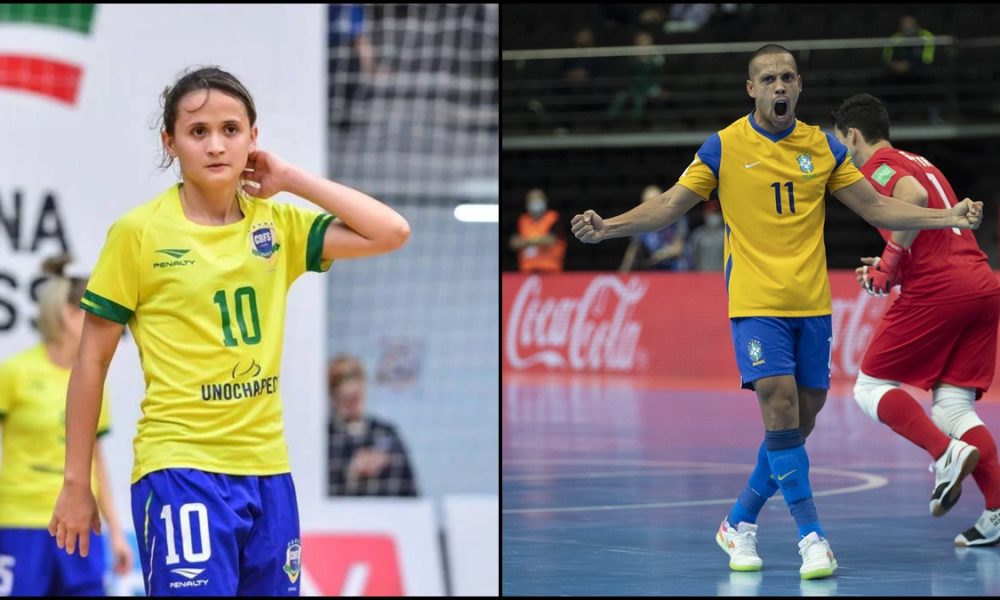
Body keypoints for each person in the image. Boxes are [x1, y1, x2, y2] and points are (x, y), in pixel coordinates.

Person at [571, 44, 983, 580]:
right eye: (768, 79)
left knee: (801, 418)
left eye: (787, 77)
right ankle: (813, 538)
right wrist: (609, 227)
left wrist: (947, 213)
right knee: (780, 408)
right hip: (754, 301)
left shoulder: (822, 148)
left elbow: (878, 207)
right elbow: (670, 205)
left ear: (800, 86)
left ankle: (738, 521)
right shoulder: (723, 147)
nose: (779, 86)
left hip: (811, 304)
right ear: (751, 89)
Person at [46, 66, 410, 596]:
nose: (216, 145)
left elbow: (392, 231)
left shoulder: (278, 225)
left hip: (268, 474)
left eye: (231, 130)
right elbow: (91, 363)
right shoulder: (138, 233)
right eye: (198, 132)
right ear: (170, 143)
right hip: (180, 470)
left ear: (253, 139)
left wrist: (291, 179)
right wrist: (77, 483)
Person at [832, 92, 1000, 546]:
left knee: (870, 387)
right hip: (981, 283)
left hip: (941, 289)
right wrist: (892, 268)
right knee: (952, 406)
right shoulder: (919, 158)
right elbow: (935, 226)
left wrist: (891, 258)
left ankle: (945, 454)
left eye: (838, 142)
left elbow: (912, 198)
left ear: (851, 136)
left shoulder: (876, 167)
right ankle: (998, 512)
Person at [0, 255, 132, 595]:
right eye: (98, 313)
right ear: (71, 315)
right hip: (20, 523)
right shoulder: (14, 373)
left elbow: (96, 460)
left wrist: (116, 533)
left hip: (80, 527)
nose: (111, 323)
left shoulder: (92, 381)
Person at [327, 354, 418, 497]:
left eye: (355, 397)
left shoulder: (387, 434)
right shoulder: (326, 440)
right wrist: (352, 473)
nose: (351, 404)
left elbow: (411, 492)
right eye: (345, 398)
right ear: (333, 397)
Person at [619, 184, 689, 272]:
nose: (650, 206)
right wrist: (623, 273)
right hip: (654, 271)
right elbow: (632, 250)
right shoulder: (640, 223)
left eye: (653, 201)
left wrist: (660, 255)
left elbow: (678, 248)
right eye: (646, 202)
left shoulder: (677, 218)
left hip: (676, 269)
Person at [509, 188, 567, 274]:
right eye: (532, 200)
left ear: (545, 201)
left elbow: (550, 240)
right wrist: (539, 240)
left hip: (551, 271)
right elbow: (513, 243)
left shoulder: (553, 218)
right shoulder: (522, 220)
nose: (535, 202)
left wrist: (529, 240)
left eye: (538, 199)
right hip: (526, 272)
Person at [685, 197, 725, 271]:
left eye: (715, 213)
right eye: (710, 212)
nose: (713, 215)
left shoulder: (727, 235)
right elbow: (690, 258)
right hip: (702, 276)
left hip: (722, 276)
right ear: (704, 214)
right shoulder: (698, 234)